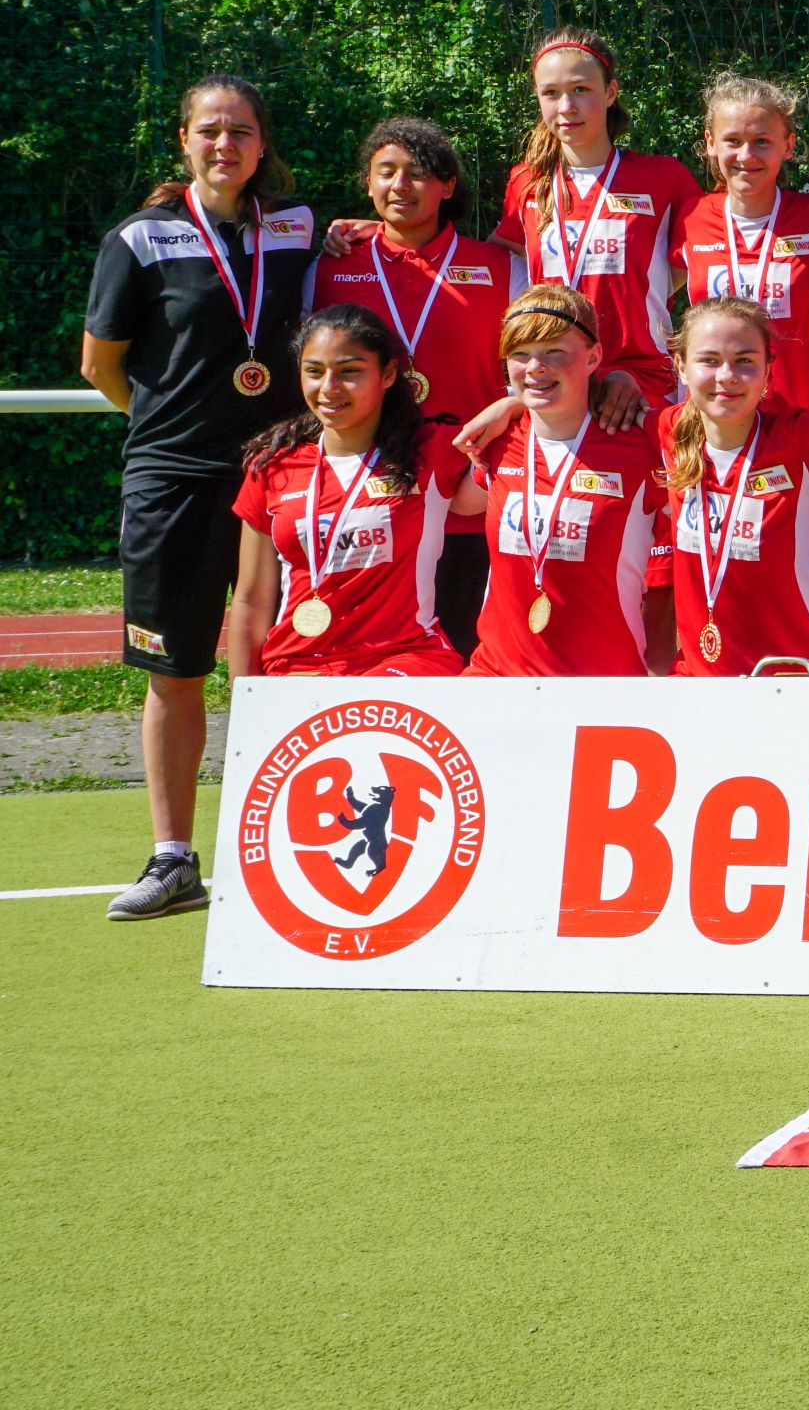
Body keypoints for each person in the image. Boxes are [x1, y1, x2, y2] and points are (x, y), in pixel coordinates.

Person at [82, 76, 317, 921]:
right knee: (177, 669)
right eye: (210, 131)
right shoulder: (139, 240)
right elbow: (100, 365)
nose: (227, 145)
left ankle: (287, 851)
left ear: (262, 145)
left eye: (242, 131)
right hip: (172, 481)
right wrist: (171, 427)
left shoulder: (298, 228)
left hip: (282, 481)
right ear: (184, 140)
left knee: (285, 664)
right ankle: (174, 856)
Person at [308, 116, 522, 659]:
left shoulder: (502, 268)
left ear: (447, 185)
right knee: (372, 653)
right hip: (370, 496)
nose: (400, 186)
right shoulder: (330, 267)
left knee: (471, 651)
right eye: (386, 172)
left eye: (419, 173)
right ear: (368, 183)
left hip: (468, 496)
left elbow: (533, 368)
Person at [228, 307, 479, 679]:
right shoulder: (273, 465)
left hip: (403, 660)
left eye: (349, 372)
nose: (328, 387)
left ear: (389, 374)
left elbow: (532, 435)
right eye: (314, 371)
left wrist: (511, 402)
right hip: (295, 666)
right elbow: (251, 599)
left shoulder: (431, 450)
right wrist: (245, 699)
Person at [657, 298, 809, 676]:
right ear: (681, 367)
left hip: (802, 677)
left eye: (745, 360)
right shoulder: (665, 431)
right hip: (702, 678)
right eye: (709, 360)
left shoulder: (800, 438)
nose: (727, 376)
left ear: (768, 371)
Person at [489, 28, 704, 415]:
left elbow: (710, 250)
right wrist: (387, 236)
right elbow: (499, 261)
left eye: (581, 89)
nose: (566, 106)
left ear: (610, 93)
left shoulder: (662, 178)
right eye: (550, 93)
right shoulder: (526, 181)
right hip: (552, 376)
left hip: (638, 382)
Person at [464, 283, 672, 677]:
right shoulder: (499, 439)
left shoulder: (640, 443)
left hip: (601, 683)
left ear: (594, 357)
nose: (535, 368)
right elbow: (454, 505)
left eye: (553, 352)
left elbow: (725, 501)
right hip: (496, 678)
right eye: (520, 355)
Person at [682, 73, 809, 411]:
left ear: (787, 146)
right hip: (715, 414)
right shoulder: (688, 218)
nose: (747, 155)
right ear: (711, 143)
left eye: (761, 141)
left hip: (799, 410)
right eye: (733, 140)